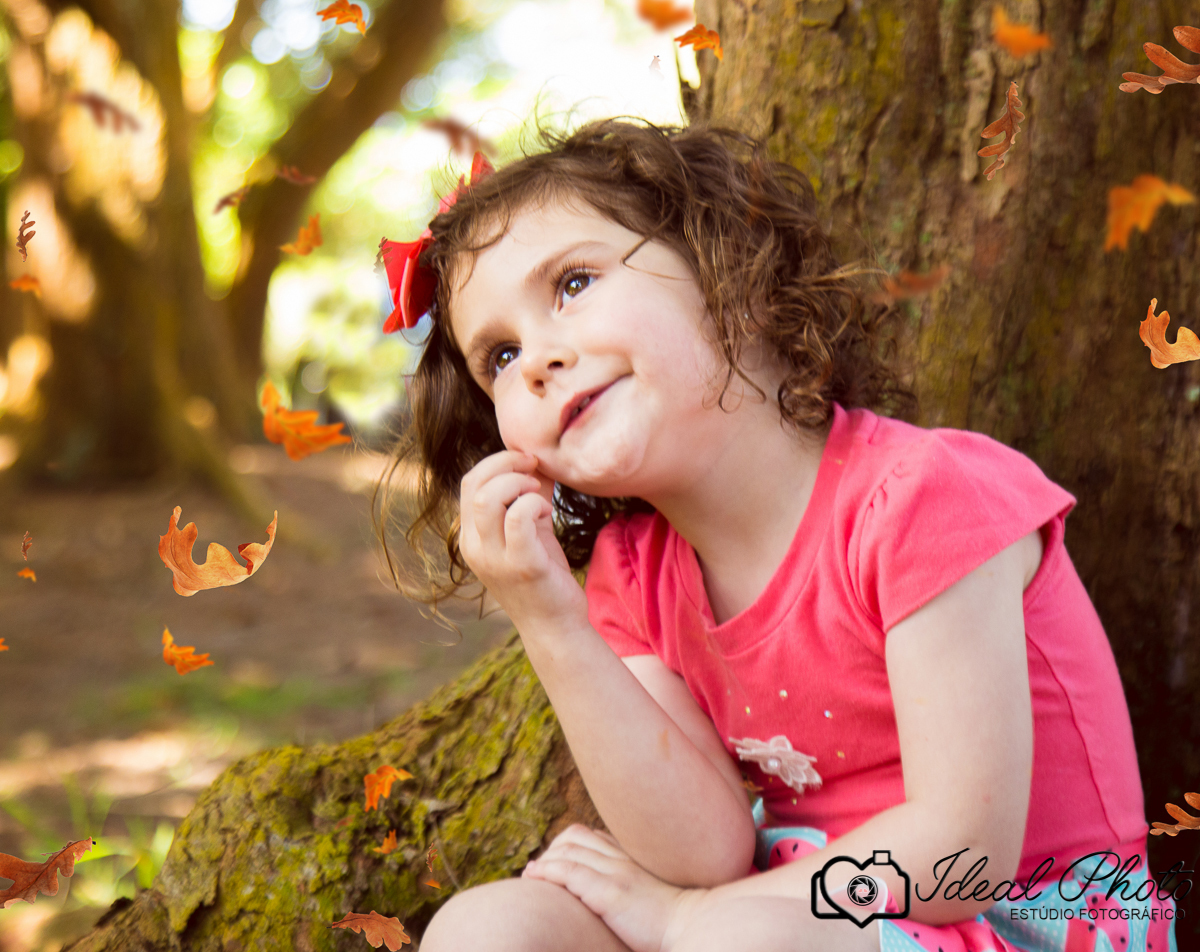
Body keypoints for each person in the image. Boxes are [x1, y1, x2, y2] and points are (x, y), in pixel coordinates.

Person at [374, 118, 1179, 952]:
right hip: (780, 904)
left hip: (1026, 919)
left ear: (731, 273)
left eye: (573, 282)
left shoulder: (918, 500)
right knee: (489, 928)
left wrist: (695, 922)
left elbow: (960, 852)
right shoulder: (633, 573)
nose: (536, 356)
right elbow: (704, 853)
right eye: (499, 356)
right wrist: (548, 620)